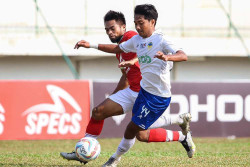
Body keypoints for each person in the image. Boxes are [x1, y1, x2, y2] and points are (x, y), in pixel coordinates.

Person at [60, 10, 193, 165]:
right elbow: (126, 76)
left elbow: (146, 49)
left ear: (123, 27)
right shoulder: (123, 47)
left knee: (140, 134)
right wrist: (113, 96)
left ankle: (180, 132)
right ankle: (83, 150)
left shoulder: (132, 36)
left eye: (112, 28)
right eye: (107, 30)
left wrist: (137, 59)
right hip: (134, 90)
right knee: (99, 111)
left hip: (149, 93)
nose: (109, 32)